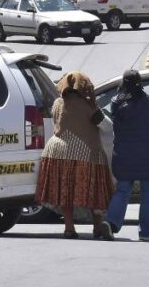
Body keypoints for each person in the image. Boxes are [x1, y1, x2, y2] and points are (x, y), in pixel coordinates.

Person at [35, 71, 114, 239]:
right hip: (87, 154)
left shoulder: (57, 103)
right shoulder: (88, 106)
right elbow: (107, 127)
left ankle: (69, 228)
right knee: (94, 192)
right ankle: (97, 227)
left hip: (56, 152)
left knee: (65, 192)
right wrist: (95, 108)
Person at [100, 70, 149, 242]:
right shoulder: (147, 101)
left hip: (124, 155)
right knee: (148, 192)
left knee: (123, 190)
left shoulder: (116, 103)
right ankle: (147, 232)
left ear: (123, 83)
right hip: (148, 155)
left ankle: (111, 223)